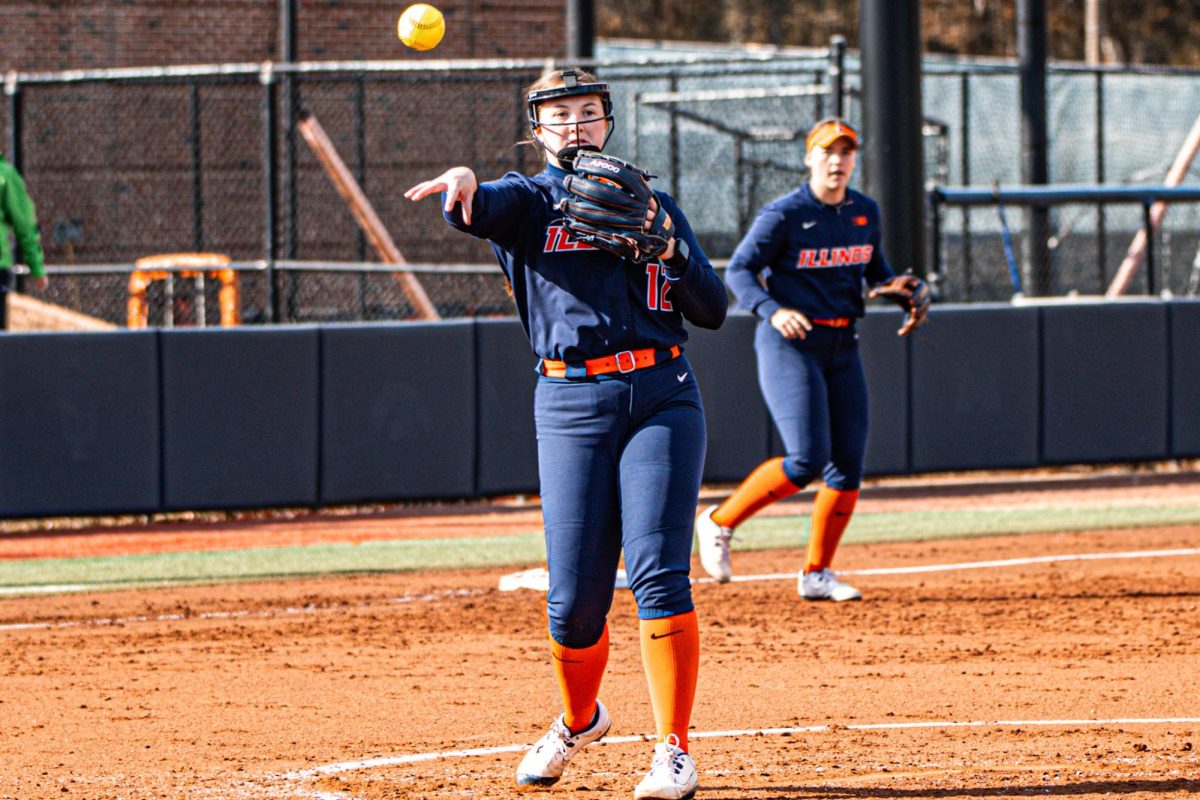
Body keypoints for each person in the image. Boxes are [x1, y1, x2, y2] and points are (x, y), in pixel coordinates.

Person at [405, 68, 727, 799]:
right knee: (574, 602)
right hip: (570, 399)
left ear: (608, 122)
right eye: (560, 114)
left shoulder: (651, 203)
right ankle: (581, 720)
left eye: (590, 112)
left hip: (662, 394)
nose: (576, 125)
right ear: (536, 126)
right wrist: (464, 187)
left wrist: (669, 246)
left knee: (657, 572)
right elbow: (477, 207)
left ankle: (674, 750)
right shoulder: (529, 199)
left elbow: (712, 308)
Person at [694, 117, 928, 601]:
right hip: (790, 344)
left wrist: (901, 289)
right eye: (827, 152)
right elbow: (739, 270)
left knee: (847, 464)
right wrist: (771, 310)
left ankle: (816, 573)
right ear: (809, 158)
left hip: (843, 345)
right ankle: (718, 521)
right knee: (806, 459)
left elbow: (875, 271)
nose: (837, 161)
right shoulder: (784, 213)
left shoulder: (864, 211)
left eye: (846, 152)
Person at [0, 152, 48, 330]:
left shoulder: (5, 175)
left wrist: (36, 264)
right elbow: (25, 224)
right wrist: (36, 266)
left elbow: (24, 224)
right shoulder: (5, 174)